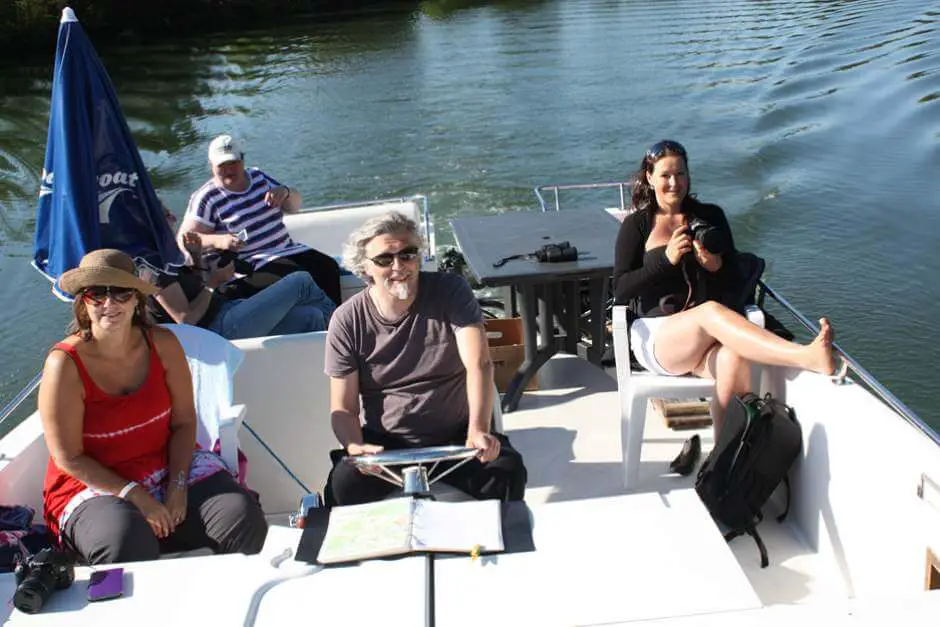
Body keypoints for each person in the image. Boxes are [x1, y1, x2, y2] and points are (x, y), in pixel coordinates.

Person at [613, 140, 841, 474]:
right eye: (665, 175)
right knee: (708, 313)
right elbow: (619, 289)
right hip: (658, 335)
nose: (673, 182)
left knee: (734, 358)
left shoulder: (710, 216)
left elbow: (736, 278)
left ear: (689, 176)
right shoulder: (637, 226)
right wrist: (665, 260)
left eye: (680, 173)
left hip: (706, 336)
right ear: (649, 178)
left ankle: (724, 468)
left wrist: (715, 266)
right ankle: (804, 356)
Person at [40, 249, 267, 564]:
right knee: (126, 541)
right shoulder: (64, 364)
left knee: (241, 517)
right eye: (97, 293)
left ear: (136, 299)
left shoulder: (163, 344)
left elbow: (185, 423)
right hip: (93, 483)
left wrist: (176, 486)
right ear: (83, 301)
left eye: (121, 292)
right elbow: (69, 457)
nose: (110, 303)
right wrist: (136, 495)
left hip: (165, 466)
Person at [323, 212, 527, 505]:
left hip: (458, 437)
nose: (398, 266)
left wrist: (479, 430)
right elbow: (343, 408)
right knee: (343, 485)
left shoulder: (451, 291)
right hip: (386, 446)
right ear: (365, 268)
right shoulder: (347, 320)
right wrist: (355, 446)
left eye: (407, 254)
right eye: (384, 259)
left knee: (507, 471)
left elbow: (479, 364)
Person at [177, 134, 342, 305]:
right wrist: (220, 241)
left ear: (243, 160)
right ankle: (324, 323)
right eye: (222, 165)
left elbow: (294, 207)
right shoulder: (206, 197)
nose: (229, 169)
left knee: (327, 266)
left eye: (233, 162)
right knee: (298, 277)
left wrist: (285, 192)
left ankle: (336, 323)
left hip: (286, 250)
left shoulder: (257, 177)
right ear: (211, 165)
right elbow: (185, 240)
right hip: (251, 265)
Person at [145, 210, 335, 340]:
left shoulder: (168, 258)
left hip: (224, 310)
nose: (174, 218)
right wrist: (214, 283)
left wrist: (196, 257)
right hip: (217, 331)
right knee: (300, 280)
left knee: (312, 316)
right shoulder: (154, 269)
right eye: (167, 215)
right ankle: (349, 335)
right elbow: (187, 321)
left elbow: (196, 290)